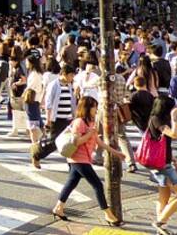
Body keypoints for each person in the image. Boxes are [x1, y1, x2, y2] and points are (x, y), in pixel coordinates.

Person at [50, 96, 124, 226]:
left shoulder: (91, 122)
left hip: (83, 159)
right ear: (87, 108)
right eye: (94, 106)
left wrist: (116, 152)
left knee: (71, 183)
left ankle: (58, 208)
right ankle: (108, 214)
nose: (96, 109)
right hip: (79, 158)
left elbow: (99, 142)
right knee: (97, 185)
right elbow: (77, 141)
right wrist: (89, 134)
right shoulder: (79, 122)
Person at [146, 96, 177, 235]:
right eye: (174, 107)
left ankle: (161, 228)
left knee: (163, 198)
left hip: (163, 162)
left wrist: (175, 162)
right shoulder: (157, 120)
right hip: (162, 166)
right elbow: (175, 135)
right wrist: (174, 117)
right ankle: (161, 222)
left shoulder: (157, 119)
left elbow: (164, 145)